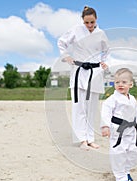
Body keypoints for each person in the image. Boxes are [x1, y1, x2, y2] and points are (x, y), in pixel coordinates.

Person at [57, 6, 109, 150]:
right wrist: (66, 57)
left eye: (92, 22)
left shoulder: (101, 34)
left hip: (95, 71)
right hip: (79, 71)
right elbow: (61, 42)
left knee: (92, 108)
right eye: (87, 22)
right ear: (83, 20)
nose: (90, 25)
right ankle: (82, 140)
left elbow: (106, 51)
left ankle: (90, 138)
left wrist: (104, 62)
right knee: (79, 108)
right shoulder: (75, 30)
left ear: (96, 19)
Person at [101, 68, 137, 181]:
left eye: (124, 82)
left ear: (131, 84)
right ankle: (120, 177)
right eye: (117, 82)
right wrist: (105, 126)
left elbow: (136, 112)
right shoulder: (112, 100)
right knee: (119, 153)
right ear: (114, 84)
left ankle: (126, 171)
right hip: (118, 131)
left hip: (131, 130)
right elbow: (106, 112)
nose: (120, 84)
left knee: (131, 152)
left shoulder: (132, 99)